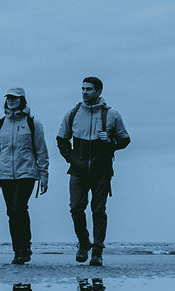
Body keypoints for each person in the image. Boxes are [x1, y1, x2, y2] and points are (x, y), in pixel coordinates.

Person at [55, 77, 130, 267]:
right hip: (77, 171)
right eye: (82, 88)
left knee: (98, 210)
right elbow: (61, 140)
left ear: (98, 91)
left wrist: (110, 141)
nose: (84, 92)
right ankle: (83, 243)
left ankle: (97, 251)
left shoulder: (112, 114)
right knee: (75, 208)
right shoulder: (72, 113)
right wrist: (72, 158)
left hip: (101, 171)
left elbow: (125, 139)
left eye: (89, 89)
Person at [0, 87, 49, 264]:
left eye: (15, 98)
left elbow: (41, 151)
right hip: (5, 175)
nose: (11, 100)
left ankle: (25, 247)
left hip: (26, 173)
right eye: (9, 98)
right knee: (11, 212)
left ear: (22, 100)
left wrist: (44, 176)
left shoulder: (33, 124)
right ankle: (17, 250)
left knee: (19, 207)